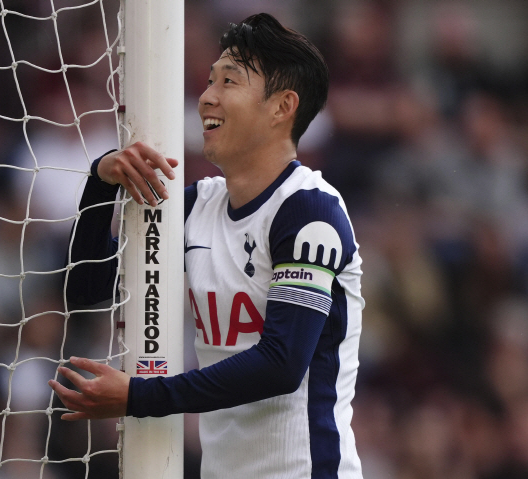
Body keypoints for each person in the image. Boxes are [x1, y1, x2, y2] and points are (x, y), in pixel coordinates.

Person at [49, 13, 364, 479]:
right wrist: (101, 182)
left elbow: (282, 365)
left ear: (282, 107)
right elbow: (86, 286)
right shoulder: (199, 207)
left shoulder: (309, 211)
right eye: (210, 79)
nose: (206, 97)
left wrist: (139, 397)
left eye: (229, 81)